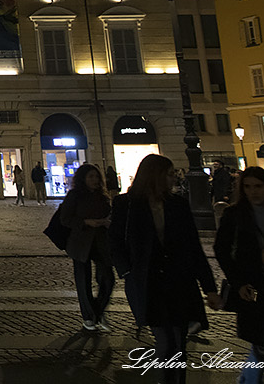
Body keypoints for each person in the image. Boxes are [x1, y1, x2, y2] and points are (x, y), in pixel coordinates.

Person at [110, 154, 221, 383]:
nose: (173, 179)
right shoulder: (126, 204)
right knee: (164, 340)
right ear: (155, 175)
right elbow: (115, 242)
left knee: (178, 343)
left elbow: (194, 248)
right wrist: (128, 272)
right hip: (148, 283)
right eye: (169, 174)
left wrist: (209, 288)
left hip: (179, 282)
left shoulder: (178, 205)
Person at [214, 165, 264, 384]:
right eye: (247, 186)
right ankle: (249, 380)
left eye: (258, 186)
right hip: (252, 285)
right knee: (261, 341)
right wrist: (238, 282)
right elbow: (222, 251)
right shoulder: (234, 215)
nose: (253, 191)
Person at [60, 164, 114, 332]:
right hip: (81, 242)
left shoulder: (103, 196)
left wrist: (107, 222)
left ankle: (97, 310)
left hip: (101, 241)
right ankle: (88, 317)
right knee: (83, 281)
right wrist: (85, 222)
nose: (94, 180)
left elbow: (110, 213)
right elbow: (65, 219)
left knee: (108, 279)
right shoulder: (74, 195)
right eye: (90, 177)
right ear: (83, 178)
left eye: (96, 176)